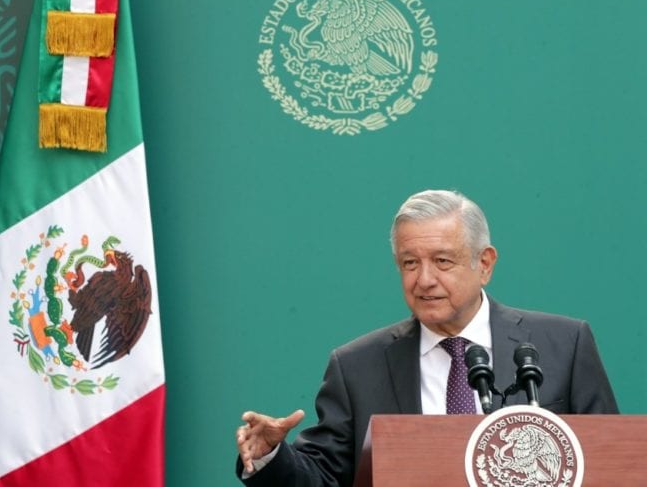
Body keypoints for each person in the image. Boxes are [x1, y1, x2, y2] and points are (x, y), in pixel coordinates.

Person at [235, 189, 618, 487]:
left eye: (442, 261)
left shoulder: (564, 345)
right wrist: (271, 455)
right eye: (410, 263)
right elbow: (324, 478)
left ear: (484, 264)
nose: (425, 280)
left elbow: (613, 461)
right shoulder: (356, 368)